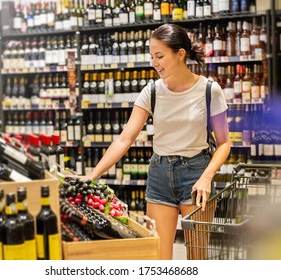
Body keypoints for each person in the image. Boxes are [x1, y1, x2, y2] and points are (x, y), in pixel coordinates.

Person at [78, 24, 231, 260]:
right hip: (160, 174)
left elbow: (224, 143)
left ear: (180, 54)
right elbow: (125, 138)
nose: (154, 63)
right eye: (152, 56)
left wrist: (207, 175)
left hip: (196, 174)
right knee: (158, 257)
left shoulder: (209, 90)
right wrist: (92, 175)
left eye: (159, 56)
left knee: (197, 258)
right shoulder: (152, 91)